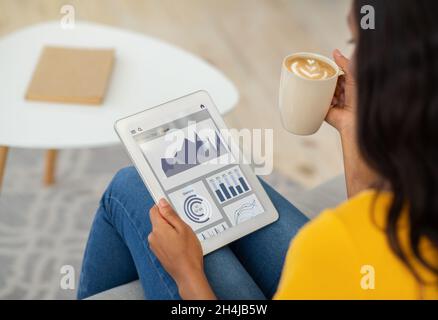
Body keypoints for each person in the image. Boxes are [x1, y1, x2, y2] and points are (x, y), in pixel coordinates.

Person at [77, 0, 438, 299]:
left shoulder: (327, 244)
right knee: (223, 194)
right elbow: (374, 235)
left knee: (130, 188)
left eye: (357, 43)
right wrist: (352, 126)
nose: (350, 61)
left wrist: (187, 274)